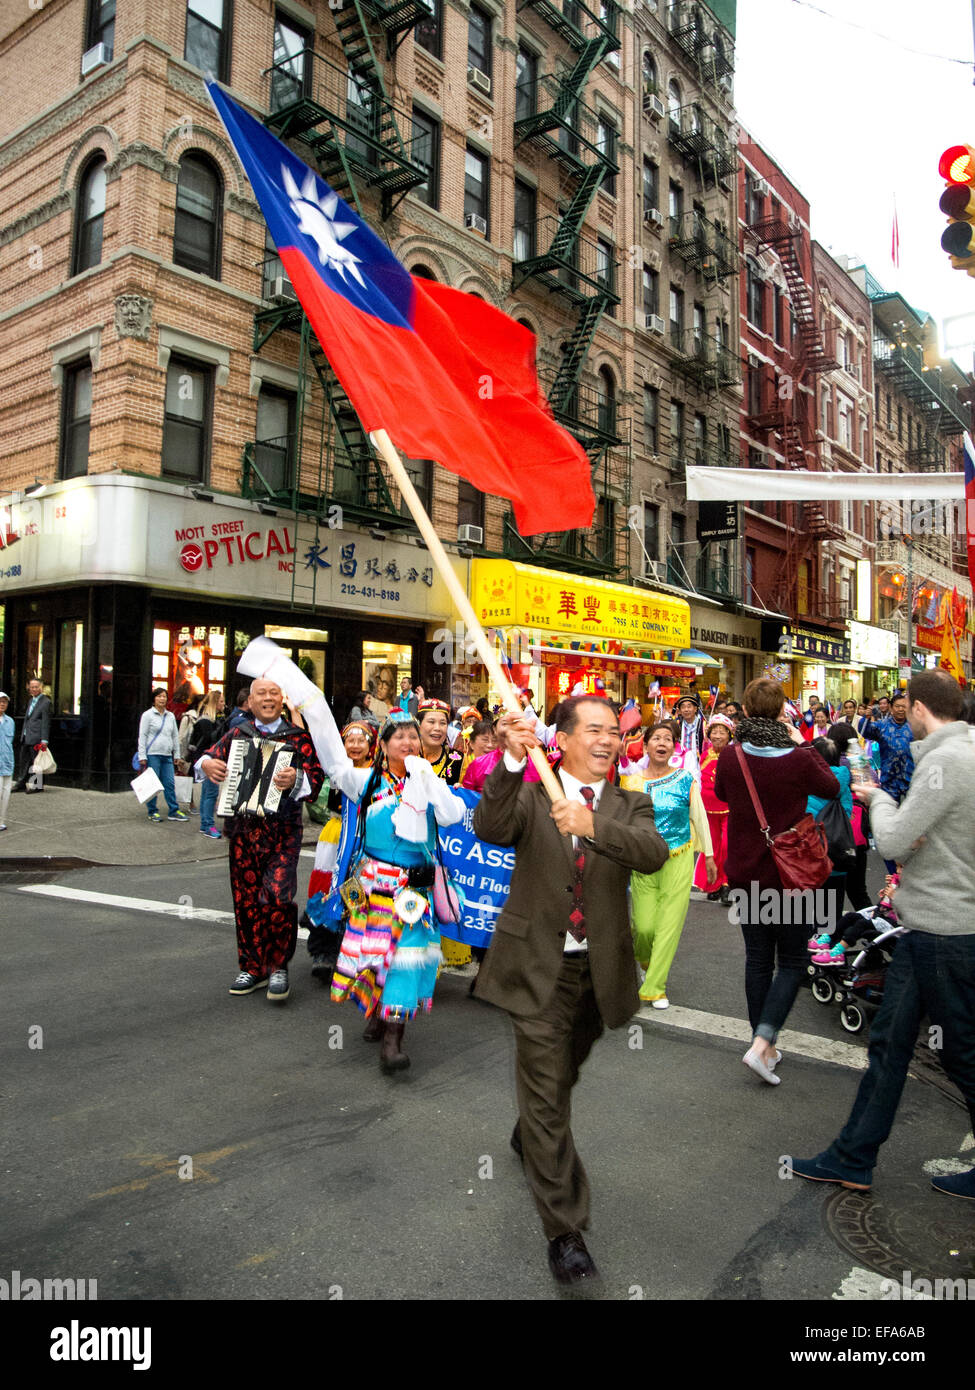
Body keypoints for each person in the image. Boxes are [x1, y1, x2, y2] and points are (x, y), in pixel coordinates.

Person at [473, 697, 668, 1285]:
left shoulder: (631, 802)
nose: (608, 740)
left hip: (598, 974)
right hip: (537, 966)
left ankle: (529, 1133)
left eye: (614, 731)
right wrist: (509, 762)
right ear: (561, 737)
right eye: (594, 730)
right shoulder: (531, 793)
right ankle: (565, 1230)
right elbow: (490, 826)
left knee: (562, 1074)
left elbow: (654, 854)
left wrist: (592, 826)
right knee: (548, 1097)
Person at [789, 671, 975, 1199]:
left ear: (917, 708)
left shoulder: (943, 760)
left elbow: (894, 838)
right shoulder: (966, 749)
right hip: (932, 929)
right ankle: (852, 1156)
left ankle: (852, 1156)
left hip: (944, 930)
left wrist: (875, 797)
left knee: (959, 1051)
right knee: (890, 1045)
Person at [714, 678, 839, 1086]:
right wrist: (800, 740)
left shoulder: (732, 756)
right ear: (783, 711)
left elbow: (721, 792)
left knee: (757, 959)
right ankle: (764, 1042)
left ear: (745, 712)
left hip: (747, 873)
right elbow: (832, 786)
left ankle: (759, 1042)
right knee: (793, 961)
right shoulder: (798, 757)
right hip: (792, 875)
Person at [326, 708, 466, 1070]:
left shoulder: (428, 779)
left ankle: (393, 1039)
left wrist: (427, 778)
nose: (408, 742)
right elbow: (332, 765)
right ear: (383, 745)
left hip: (414, 890)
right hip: (372, 886)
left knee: (406, 958)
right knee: (372, 956)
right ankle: (376, 1010)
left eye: (412, 735)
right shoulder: (365, 781)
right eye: (398, 736)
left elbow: (451, 814)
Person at [201, 678, 324, 1003]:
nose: (268, 699)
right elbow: (207, 757)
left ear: (282, 699)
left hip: (283, 832)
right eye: (261, 694)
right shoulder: (238, 733)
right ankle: (252, 967)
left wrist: (296, 778)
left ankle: (277, 965)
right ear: (250, 701)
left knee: (278, 898)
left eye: (273, 693)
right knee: (245, 900)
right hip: (243, 831)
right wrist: (208, 764)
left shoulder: (297, 738)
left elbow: (316, 778)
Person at [623, 722, 716, 1008]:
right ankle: (646, 961)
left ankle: (655, 987)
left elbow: (699, 817)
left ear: (674, 747)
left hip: (679, 857)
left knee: (669, 926)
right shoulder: (631, 783)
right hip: (643, 861)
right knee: (644, 926)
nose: (662, 743)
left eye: (668, 739)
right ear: (647, 745)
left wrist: (709, 856)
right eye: (656, 738)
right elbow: (623, 826)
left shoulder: (686, 779)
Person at [303, 719, 376, 982]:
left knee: (358, 892)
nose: (355, 746)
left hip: (365, 837)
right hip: (336, 834)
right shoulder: (336, 768)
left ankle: (352, 951)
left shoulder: (378, 772)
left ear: (372, 746)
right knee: (327, 889)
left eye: (361, 740)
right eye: (349, 741)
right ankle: (323, 950)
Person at [857, 690, 914, 872]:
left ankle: (908, 865)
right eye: (897, 706)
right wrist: (866, 716)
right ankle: (892, 869)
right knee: (890, 829)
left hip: (910, 784)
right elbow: (863, 731)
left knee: (909, 828)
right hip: (889, 784)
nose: (900, 710)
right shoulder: (881, 726)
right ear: (891, 707)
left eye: (904, 707)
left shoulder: (914, 726)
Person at [826, 721, 872, 911]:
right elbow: (873, 786)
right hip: (857, 833)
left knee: (830, 894)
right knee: (858, 890)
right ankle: (878, 935)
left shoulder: (828, 764)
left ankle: (827, 936)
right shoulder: (860, 761)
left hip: (833, 834)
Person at [693, 712, 733, 903]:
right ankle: (714, 883)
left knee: (727, 845)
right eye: (714, 732)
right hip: (707, 809)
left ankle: (727, 883)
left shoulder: (733, 756)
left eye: (721, 732)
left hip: (729, 808)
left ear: (729, 735)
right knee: (711, 848)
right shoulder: (703, 755)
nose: (717, 736)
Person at [137, 688, 186, 823]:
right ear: (154, 699)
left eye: (164, 696)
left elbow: (175, 736)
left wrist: (177, 754)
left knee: (169, 783)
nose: (162, 699)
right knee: (153, 784)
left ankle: (173, 811)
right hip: (153, 754)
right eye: (159, 696)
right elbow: (143, 736)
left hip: (166, 755)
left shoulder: (170, 716)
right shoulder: (147, 715)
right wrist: (142, 756)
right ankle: (152, 811)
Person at [188, 689, 225, 839]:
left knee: (206, 793)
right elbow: (211, 743)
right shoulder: (208, 722)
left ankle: (205, 825)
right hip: (208, 761)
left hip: (204, 761)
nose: (224, 704)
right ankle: (208, 825)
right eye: (222, 701)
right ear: (215, 703)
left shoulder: (205, 720)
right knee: (211, 793)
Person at [10, 677, 52, 794]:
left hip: (37, 738)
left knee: (37, 763)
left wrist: (44, 740)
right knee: (24, 761)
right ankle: (21, 783)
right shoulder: (30, 701)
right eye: (31, 687)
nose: (33, 689)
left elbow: (46, 722)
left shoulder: (46, 702)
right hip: (26, 736)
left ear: (41, 688)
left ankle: (38, 785)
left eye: (36, 687)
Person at [416, 697, 463, 785]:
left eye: (442, 723)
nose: (437, 728)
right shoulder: (407, 756)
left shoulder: (459, 760)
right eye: (431, 722)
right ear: (419, 725)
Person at [458, 717, 496, 783]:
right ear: (472, 743)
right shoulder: (461, 762)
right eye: (485, 740)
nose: (490, 745)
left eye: (494, 740)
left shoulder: (500, 764)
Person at [0, 691, 14, 830]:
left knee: (6, 795)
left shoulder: (10, 721)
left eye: (5, 702)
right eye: (0, 701)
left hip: (7, 763)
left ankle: (1, 822)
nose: (2, 704)